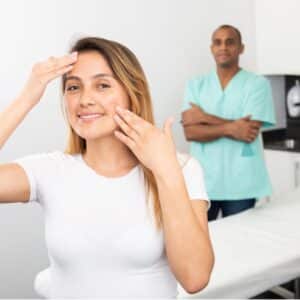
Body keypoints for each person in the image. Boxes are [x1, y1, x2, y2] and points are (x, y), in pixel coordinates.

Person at [0, 37, 214, 298]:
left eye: (102, 85)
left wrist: (164, 170)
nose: (85, 99)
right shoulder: (50, 170)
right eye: (73, 87)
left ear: (132, 94)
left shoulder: (180, 168)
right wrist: (26, 98)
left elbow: (195, 277)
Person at [181, 25, 276, 221]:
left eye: (230, 42)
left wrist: (205, 118)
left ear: (241, 48)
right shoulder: (196, 85)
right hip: (204, 181)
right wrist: (233, 128)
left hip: (241, 183)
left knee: (239, 242)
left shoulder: (257, 84)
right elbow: (191, 133)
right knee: (202, 243)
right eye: (218, 42)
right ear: (211, 48)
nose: (223, 47)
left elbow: (249, 130)